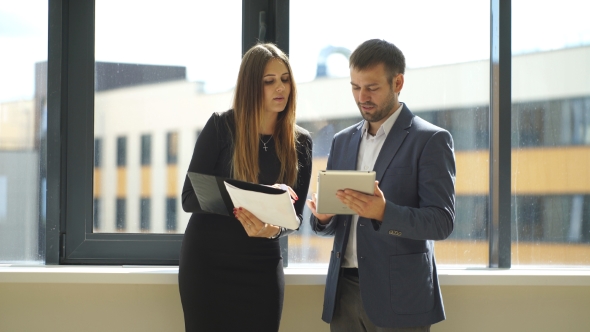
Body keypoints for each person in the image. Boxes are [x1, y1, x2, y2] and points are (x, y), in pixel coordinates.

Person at [306, 39, 456, 331]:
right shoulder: (342, 141)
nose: (362, 96)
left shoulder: (431, 140)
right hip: (344, 293)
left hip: (401, 296)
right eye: (355, 87)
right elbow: (335, 223)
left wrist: (384, 212)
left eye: (372, 87)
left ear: (397, 82)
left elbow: (441, 222)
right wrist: (324, 218)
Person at [179, 43, 313, 331]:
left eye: (285, 79)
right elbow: (190, 198)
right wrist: (259, 196)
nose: (281, 88)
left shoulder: (301, 142)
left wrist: (274, 228)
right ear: (252, 86)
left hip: (262, 264)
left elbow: (296, 218)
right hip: (208, 263)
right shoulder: (220, 127)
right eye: (269, 81)